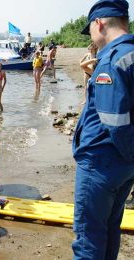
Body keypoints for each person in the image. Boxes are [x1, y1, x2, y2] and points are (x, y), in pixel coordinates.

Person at [72, 1, 134, 259]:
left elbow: (115, 122)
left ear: (99, 23)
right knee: (109, 230)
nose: (93, 40)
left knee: (89, 239)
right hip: (123, 168)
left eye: (91, 32)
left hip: (101, 163)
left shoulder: (111, 59)